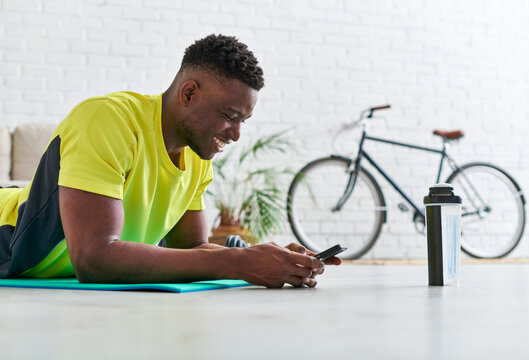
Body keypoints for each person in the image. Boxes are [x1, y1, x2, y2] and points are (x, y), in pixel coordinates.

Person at [0, 34, 340, 288]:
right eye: (229, 116)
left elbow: (192, 248)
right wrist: (238, 261)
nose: (236, 135)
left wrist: (270, 259)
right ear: (189, 94)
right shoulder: (108, 119)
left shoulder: (197, 155)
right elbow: (95, 260)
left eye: (243, 121)